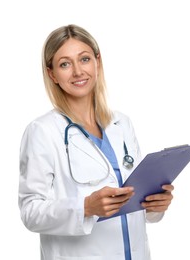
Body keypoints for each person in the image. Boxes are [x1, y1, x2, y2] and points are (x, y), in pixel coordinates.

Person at [18, 24, 174, 260]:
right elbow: (30, 211)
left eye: (84, 59)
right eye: (65, 64)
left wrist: (155, 205)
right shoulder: (42, 131)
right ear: (52, 74)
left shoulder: (121, 123)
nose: (78, 71)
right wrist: (85, 208)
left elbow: (135, 196)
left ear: (97, 62)